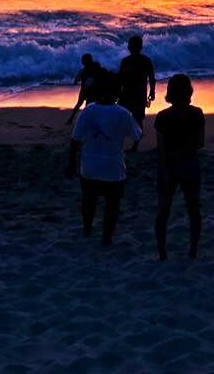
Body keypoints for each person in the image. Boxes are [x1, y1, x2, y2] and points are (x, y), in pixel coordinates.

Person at [65, 76, 142, 247]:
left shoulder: (88, 111)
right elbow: (137, 135)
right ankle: (106, 237)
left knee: (89, 199)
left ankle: (87, 229)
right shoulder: (123, 113)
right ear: (119, 92)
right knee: (112, 203)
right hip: (113, 166)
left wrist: (71, 163)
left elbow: (75, 140)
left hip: (90, 164)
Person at [153, 74, 205, 261]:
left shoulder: (162, 117)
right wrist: (182, 153)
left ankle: (162, 252)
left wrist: (168, 164)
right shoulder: (197, 113)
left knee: (163, 211)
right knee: (193, 210)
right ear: (189, 92)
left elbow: (161, 148)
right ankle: (193, 249)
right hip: (190, 164)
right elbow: (200, 143)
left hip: (168, 165)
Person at [117, 35, 156, 148]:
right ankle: (135, 145)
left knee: (122, 118)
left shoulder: (125, 61)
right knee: (138, 119)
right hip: (139, 94)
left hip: (126, 94)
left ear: (129, 47)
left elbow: (120, 79)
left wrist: (117, 93)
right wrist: (152, 92)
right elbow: (152, 78)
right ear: (141, 47)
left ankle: (122, 143)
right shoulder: (146, 60)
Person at [68, 53, 105, 123]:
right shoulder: (96, 67)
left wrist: (76, 80)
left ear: (86, 61)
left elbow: (76, 81)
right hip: (92, 90)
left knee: (82, 104)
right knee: (87, 104)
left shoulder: (85, 70)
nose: (82, 62)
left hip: (89, 91)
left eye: (83, 60)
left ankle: (72, 118)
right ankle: (72, 118)